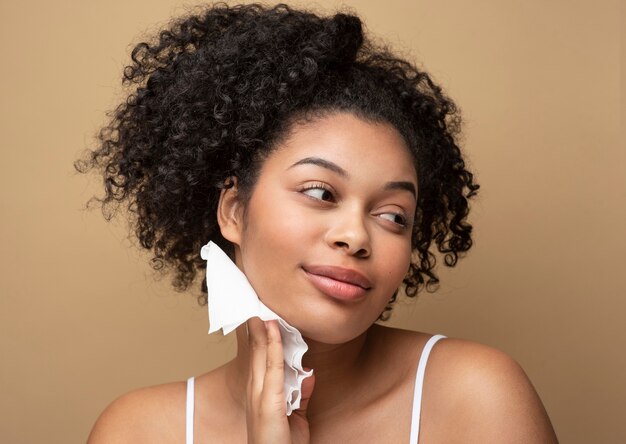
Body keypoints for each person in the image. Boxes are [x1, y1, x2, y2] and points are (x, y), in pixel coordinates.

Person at [78, 3, 558, 443]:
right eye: (321, 193)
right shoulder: (137, 430)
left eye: (393, 216)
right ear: (233, 211)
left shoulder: (476, 399)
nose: (354, 236)